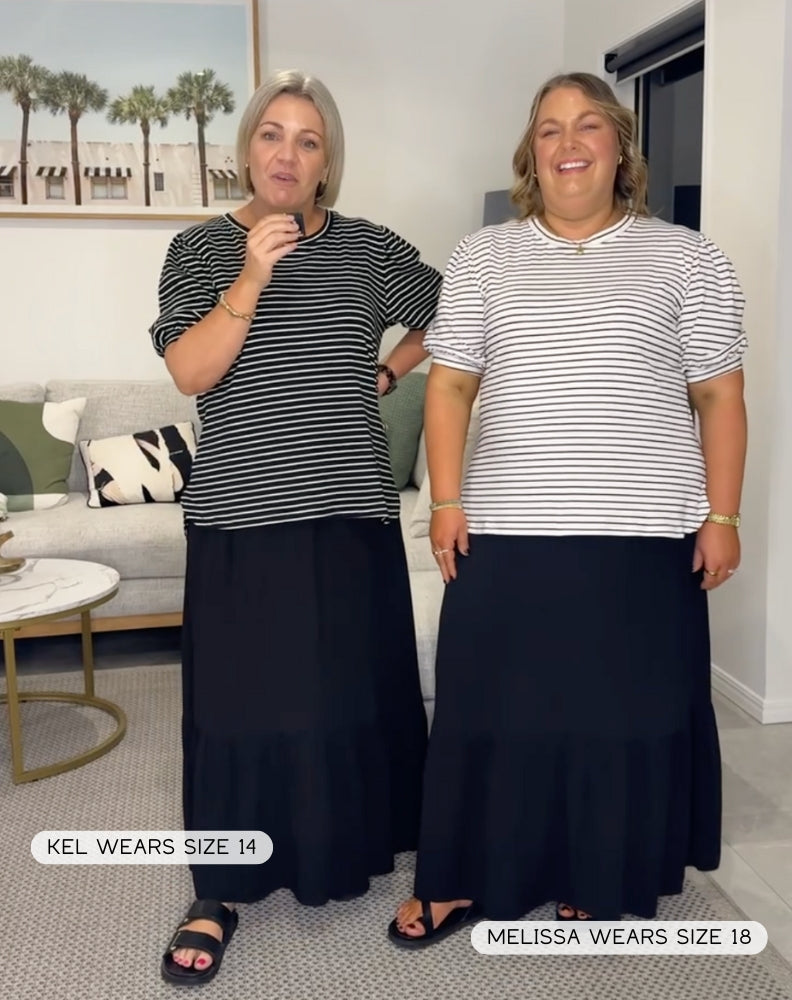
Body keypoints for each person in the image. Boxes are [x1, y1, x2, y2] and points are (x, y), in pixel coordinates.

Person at [389, 71, 747, 946]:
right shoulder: (483, 256)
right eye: (549, 129)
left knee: (618, 719)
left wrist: (723, 515)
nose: (569, 143)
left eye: (588, 125)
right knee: (490, 711)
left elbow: (719, 395)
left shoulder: (687, 257)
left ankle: (602, 868)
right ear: (532, 154)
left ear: (620, 146)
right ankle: (462, 874)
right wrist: (446, 499)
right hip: (507, 528)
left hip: (643, 532)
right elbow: (451, 388)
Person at [150, 69, 442, 984]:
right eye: (273, 135)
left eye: (308, 141)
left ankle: (354, 845)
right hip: (242, 513)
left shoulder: (369, 248)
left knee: (353, 694)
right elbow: (191, 371)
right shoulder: (200, 249)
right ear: (247, 151)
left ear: (327, 162)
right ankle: (221, 889)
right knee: (239, 708)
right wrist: (252, 274)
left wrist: (388, 373)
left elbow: (456, 313)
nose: (288, 154)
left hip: (351, 508)